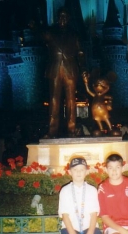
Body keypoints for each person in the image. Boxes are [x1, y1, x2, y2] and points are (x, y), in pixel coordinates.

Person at [41, 7, 87, 138]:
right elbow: (41, 34)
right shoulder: (51, 32)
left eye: (65, 16)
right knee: (54, 100)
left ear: (69, 19)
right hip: (55, 68)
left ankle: (71, 130)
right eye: (60, 16)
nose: (62, 19)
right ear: (57, 18)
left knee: (71, 100)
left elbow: (80, 52)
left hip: (70, 68)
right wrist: (35, 25)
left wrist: (83, 68)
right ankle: (52, 130)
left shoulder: (74, 34)